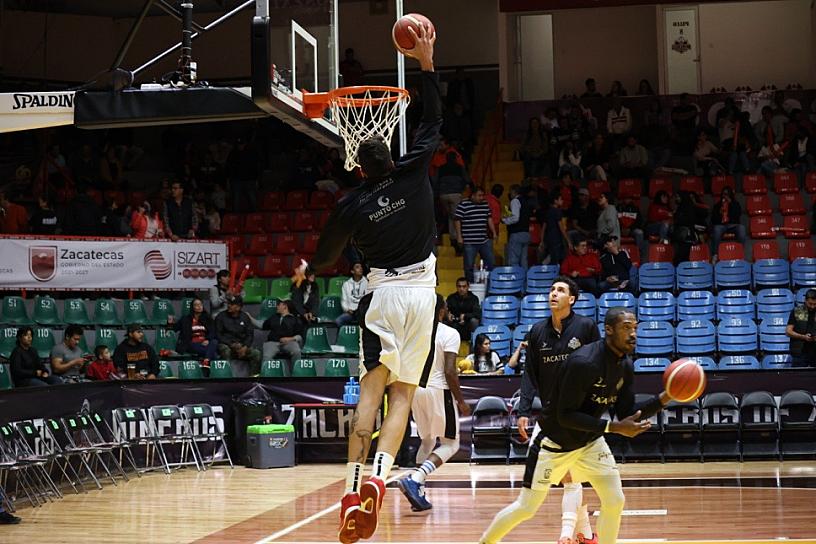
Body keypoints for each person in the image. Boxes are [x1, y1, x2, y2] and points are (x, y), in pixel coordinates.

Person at [297, 26, 439, 544]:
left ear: (356, 161)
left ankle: (351, 489)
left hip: (380, 296)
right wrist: (425, 62)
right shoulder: (414, 169)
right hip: (422, 296)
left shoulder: (349, 205)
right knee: (403, 394)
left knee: (370, 395)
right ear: (391, 158)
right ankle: (381, 476)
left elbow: (325, 257)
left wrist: (313, 264)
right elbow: (435, 120)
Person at [480, 308, 672, 544]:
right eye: (626, 328)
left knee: (615, 500)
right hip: (554, 441)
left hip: (589, 441)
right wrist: (613, 428)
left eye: (635, 328)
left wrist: (665, 397)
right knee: (526, 507)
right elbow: (566, 416)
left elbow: (627, 414)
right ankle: (486, 542)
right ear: (608, 330)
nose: (633, 334)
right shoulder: (584, 362)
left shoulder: (625, 366)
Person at [516, 276, 601, 544]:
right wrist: (524, 410)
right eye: (552, 289)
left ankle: (566, 535)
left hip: (580, 413)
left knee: (571, 476)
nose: (554, 293)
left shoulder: (586, 327)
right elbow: (529, 374)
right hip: (551, 415)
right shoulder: (536, 332)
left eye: (561, 290)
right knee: (565, 477)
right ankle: (585, 535)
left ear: (572, 299)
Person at [397, 295, 470, 511]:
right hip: (439, 390)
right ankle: (416, 478)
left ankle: (418, 492)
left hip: (416, 391)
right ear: (441, 311)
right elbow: (449, 371)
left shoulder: (412, 333)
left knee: (427, 441)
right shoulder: (450, 333)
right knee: (450, 444)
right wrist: (460, 400)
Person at [455, 186, 497, 283]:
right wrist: (459, 237)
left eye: (483, 195)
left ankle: (490, 285)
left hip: (484, 240)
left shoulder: (485, 204)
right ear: (473, 195)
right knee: (469, 266)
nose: (481, 197)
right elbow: (457, 220)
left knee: (491, 263)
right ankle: (469, 286)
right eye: (479, 195)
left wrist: (494, 232)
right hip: (469, 241)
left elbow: (489, 218)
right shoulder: (464, 204)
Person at [215, 295, 261, 375]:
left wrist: (245, 347)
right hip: (227, 345)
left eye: (232, 304)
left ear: (238, 307)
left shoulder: (245, 317)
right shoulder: (220, 317)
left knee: (257, 353)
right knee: (225, 350)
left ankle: (253, 378)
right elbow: (218, 335)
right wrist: (231, 344)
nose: (229, 306)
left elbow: (250, 334)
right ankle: (226, 377)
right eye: (229, 303)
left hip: (242, 347)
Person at [437, 151, 469, 252]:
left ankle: (452, 236)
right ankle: (455, 239)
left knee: (451, 215)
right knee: (456, 217)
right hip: (455, 194)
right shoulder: (459, 167)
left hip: (443, 195)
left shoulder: (441, 168)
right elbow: (466, 179)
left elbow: (435, 181)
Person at [172, 298, 219, 362]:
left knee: (214, 342)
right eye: (196, 305)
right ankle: (207, 360)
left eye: (200, 304)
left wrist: (207, 339)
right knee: (213, 354)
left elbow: (213, 331)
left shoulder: (208, 319)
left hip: (204, 343)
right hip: (191, 343)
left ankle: (206, 360)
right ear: (193, 307)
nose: (199, 306)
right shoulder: (185, 319)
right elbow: (175, 328)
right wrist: (170, 323)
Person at [710, 187, 746, 261]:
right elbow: (713, 220)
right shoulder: (717, 205)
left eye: (726, 194)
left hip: (733, 225)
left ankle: (740, 253)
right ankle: (715, 254)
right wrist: (719, 213)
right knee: (716, 229)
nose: (725, 196)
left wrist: (731, 204)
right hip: (721, 225)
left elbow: (737, 215)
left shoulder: (735, 204)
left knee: (742, 228)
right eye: (723, 194)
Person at [502, 184, 532, 268]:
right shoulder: (526, 202)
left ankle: (515, 279)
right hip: (526, 234)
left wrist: (505, 220)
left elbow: (515, 218)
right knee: (524, 261)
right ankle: (524, 280)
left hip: (517, 234)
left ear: (513, 192)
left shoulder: (515, 201)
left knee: (513, 260)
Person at [539, 190, 571, 266]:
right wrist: (568, 241)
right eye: (560, 199)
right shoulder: (557, 211)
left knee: (550, 258)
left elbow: (543, 228)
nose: (562, 201)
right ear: (555, 201)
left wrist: (542, 241)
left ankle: (543, 267)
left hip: (548, 240)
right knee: (556, 260)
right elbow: (561, 228)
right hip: (556, 240)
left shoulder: (547, 212)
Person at [786, 289, 816, 368]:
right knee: (797, 377)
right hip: (799, 351)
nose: (812, 306)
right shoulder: (796, 311)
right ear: (805, 300)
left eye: (815, 304)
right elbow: (788, 331)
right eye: (810, 304)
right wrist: (803, 337)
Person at [338, 262, 368, 327]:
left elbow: (368, 299)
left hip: (363, 313)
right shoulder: (346, 284)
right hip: (351, 313)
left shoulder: (367, 282)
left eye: (361, 267)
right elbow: (344, 300)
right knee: (339, 321)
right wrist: (347, 309)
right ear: (352, 271)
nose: (360, 269)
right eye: (357, 267)